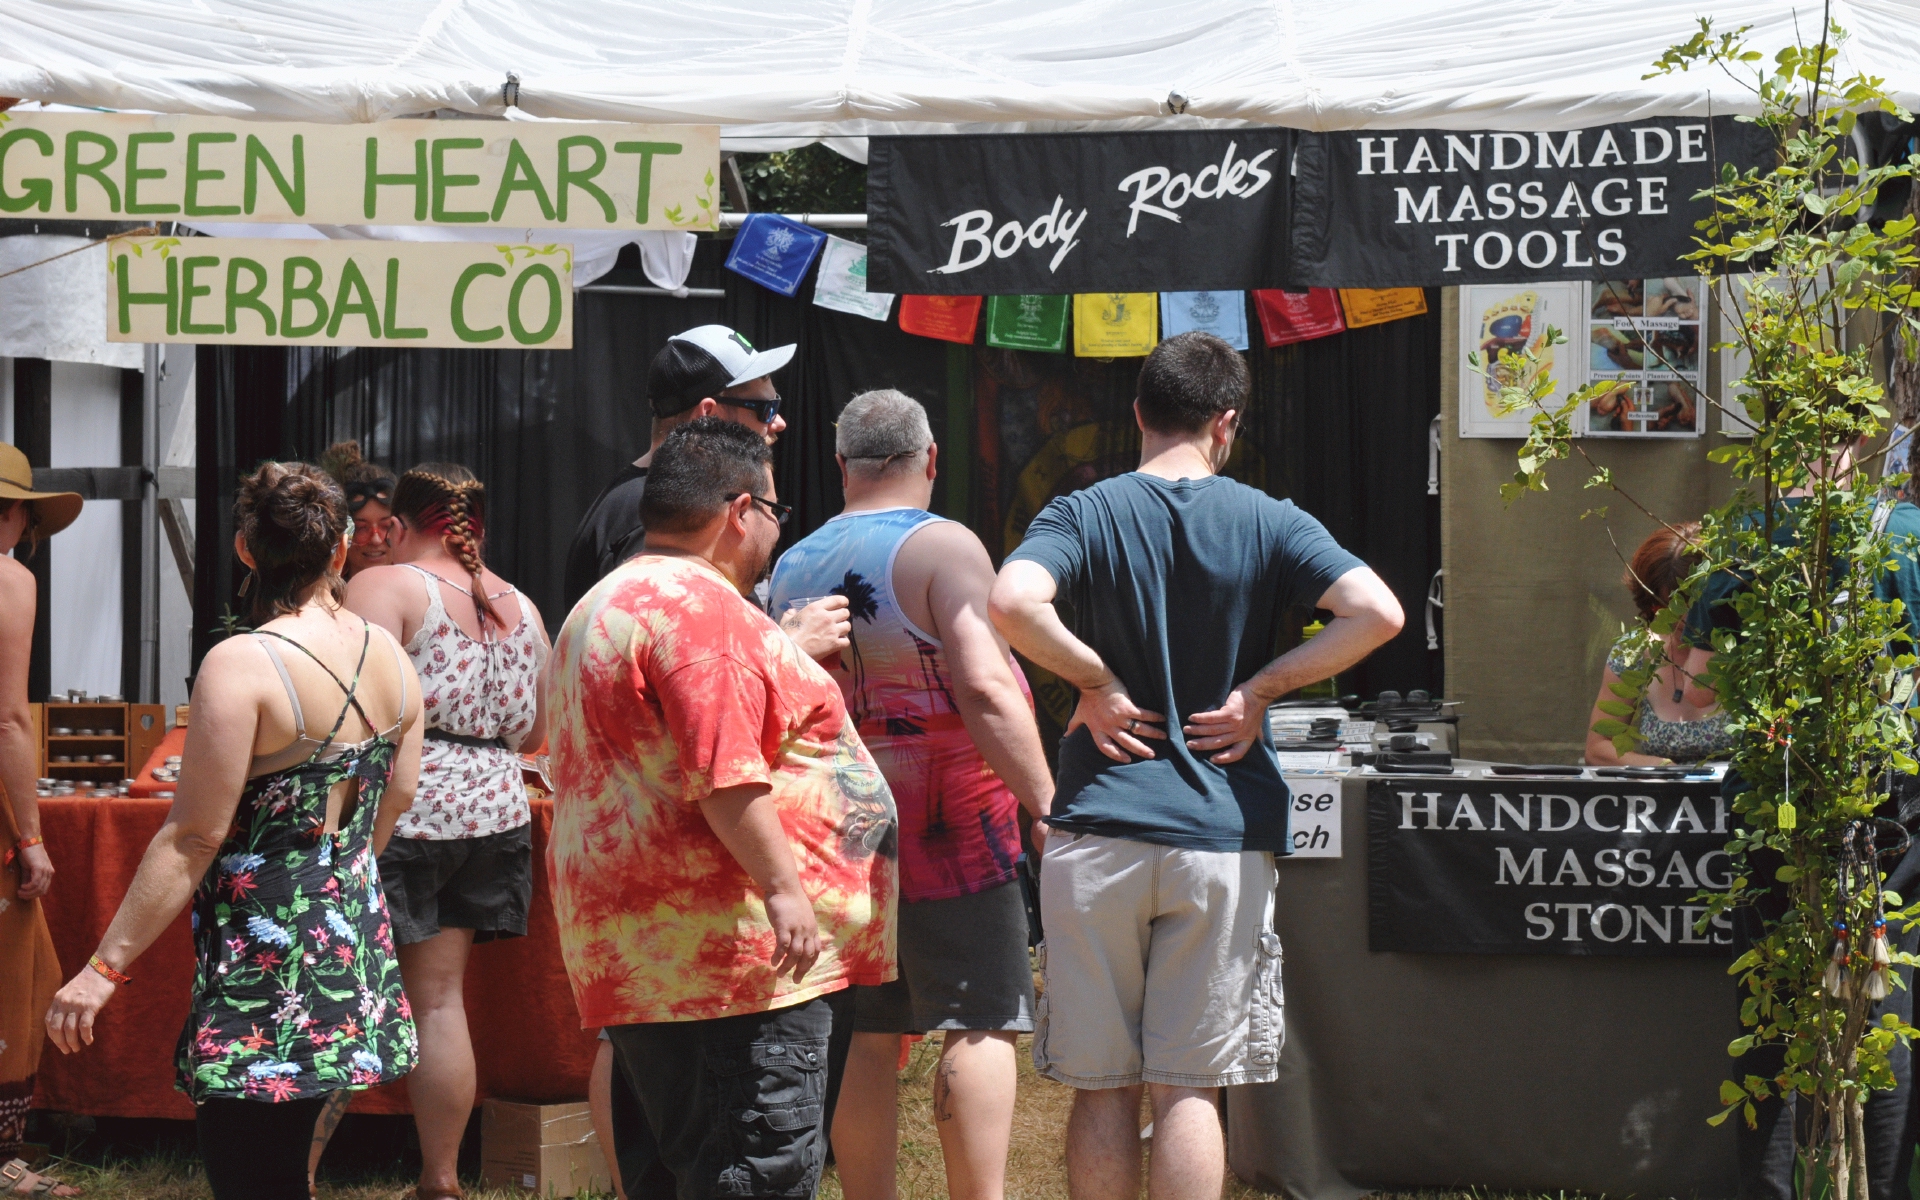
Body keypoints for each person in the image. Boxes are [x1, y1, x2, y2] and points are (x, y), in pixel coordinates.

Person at [988, 332, 1404, 1200]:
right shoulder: (1270, 518)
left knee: (1104, 1086)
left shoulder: (1081, 513)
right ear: (1228, 422)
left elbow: (1012, 602)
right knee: (1189, 1086)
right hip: (1219, 832)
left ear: (1137, 412)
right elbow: (1377, 612)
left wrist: (1093, 683)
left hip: (1099, 825)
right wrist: (1261, 693)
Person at [43, 462, 423, 1200]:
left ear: (247, 551)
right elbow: (399, 794)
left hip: (265, 953)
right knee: (282, 1168)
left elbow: (191, 836)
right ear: (342, 547)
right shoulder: (391, 655)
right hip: (348, 934)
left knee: (251, 1172)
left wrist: (103, 968)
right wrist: (333, 886)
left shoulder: (243, 662)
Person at [546, 417, 897, 1199]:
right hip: (733, 965)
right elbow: (726, 772)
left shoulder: (603, 602)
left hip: (651, 958)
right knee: (753, 1172)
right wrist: (784, 888)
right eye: (775, 512)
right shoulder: (701, 612)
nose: (774, 529)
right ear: (740, 511)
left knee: (679, 1171)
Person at [768, 390, 1055, 1200]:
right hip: (954, 834)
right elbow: (986, 686)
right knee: (982, 1017)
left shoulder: (793, 559)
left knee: (867, 1031)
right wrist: (1043, 803)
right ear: (932, 459)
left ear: (840, 466)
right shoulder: (944, 545)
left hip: (842, 834)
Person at [344, 464, 549, 1200]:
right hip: (493, 814)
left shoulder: (386, 586)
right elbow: (537, 731)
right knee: (438, 1002)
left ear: (399, 526)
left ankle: (290, 1174)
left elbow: (346, 703)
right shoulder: (522, 606)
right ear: (476, 527)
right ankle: (439, 1178)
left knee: (345, 986)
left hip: (406, 813)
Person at [562, 323, 793, 613]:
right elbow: (672, 644)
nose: (778, 422)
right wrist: (793, 647)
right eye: (766, 409)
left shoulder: (648, 500)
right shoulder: (656, 512)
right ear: (708, 414)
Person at [0, 445, 80, 1197]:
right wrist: (29, 836)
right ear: (18, 514)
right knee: (14, 976)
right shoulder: (9, 578)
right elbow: (10, 721)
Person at [1582, 522, 1731, 766]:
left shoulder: (1753, 650)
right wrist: (1664, 769)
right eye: (1665, 607)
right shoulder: (1635, 652)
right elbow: (1598, 749)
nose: (1681, 620)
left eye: (1693, 607)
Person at [321, 440, 399, 579]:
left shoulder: (420, 592)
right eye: (360, 528)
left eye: (386, 526)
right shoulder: (324, 597)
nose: (375, 540)